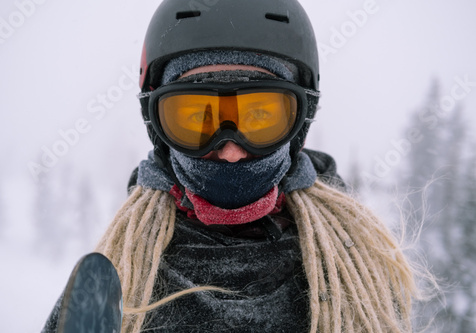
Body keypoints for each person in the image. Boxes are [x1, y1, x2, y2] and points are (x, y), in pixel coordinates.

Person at [43, 0, 418, 332]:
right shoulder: (120, 277)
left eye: (260, 117)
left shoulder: (352, 269)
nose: (230, 152)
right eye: (194, 119)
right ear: (157, 126)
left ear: (299, 122)